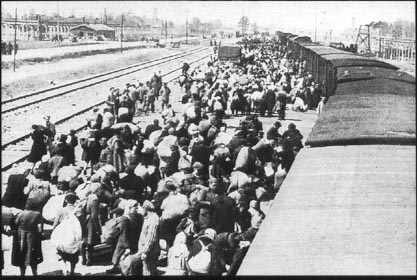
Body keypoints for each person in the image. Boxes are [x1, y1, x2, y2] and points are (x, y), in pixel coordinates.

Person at [107, 200, 142, 274]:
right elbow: (124, 233)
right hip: (124, 240)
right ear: (129, 207)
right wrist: (127, 246)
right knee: (119, 255)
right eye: (134, 207)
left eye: (136, 206)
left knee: (126, 257)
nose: (136, 208)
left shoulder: (139, 217)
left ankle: (126, 269)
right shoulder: (125, 218)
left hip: (133, 240)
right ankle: (116, 268)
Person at [11, 200, 43, 276]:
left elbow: (15, 224)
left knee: (21, 254)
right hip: (33, 236)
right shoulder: (37, 214)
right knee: (33, 255)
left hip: (21, 236)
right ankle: (34, 273)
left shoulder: (20, 214)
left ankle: (22, 273)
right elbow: (40, 228)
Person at [52, 193, 80, 276]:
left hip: (63, 234)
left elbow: (55, 224)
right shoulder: (78, 210)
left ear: (66, 200)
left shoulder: (61, 210)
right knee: (74, 254)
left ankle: (64, 270)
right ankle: (72, 271)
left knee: (61, 252)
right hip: (74, 235)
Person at [136, 200, 161, 276]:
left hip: (150, 251)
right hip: (147, 250)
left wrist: (145, 251)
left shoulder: (153, 219)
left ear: (146, 209)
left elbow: (152, 237)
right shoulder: (149, 218)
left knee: (148, 272)